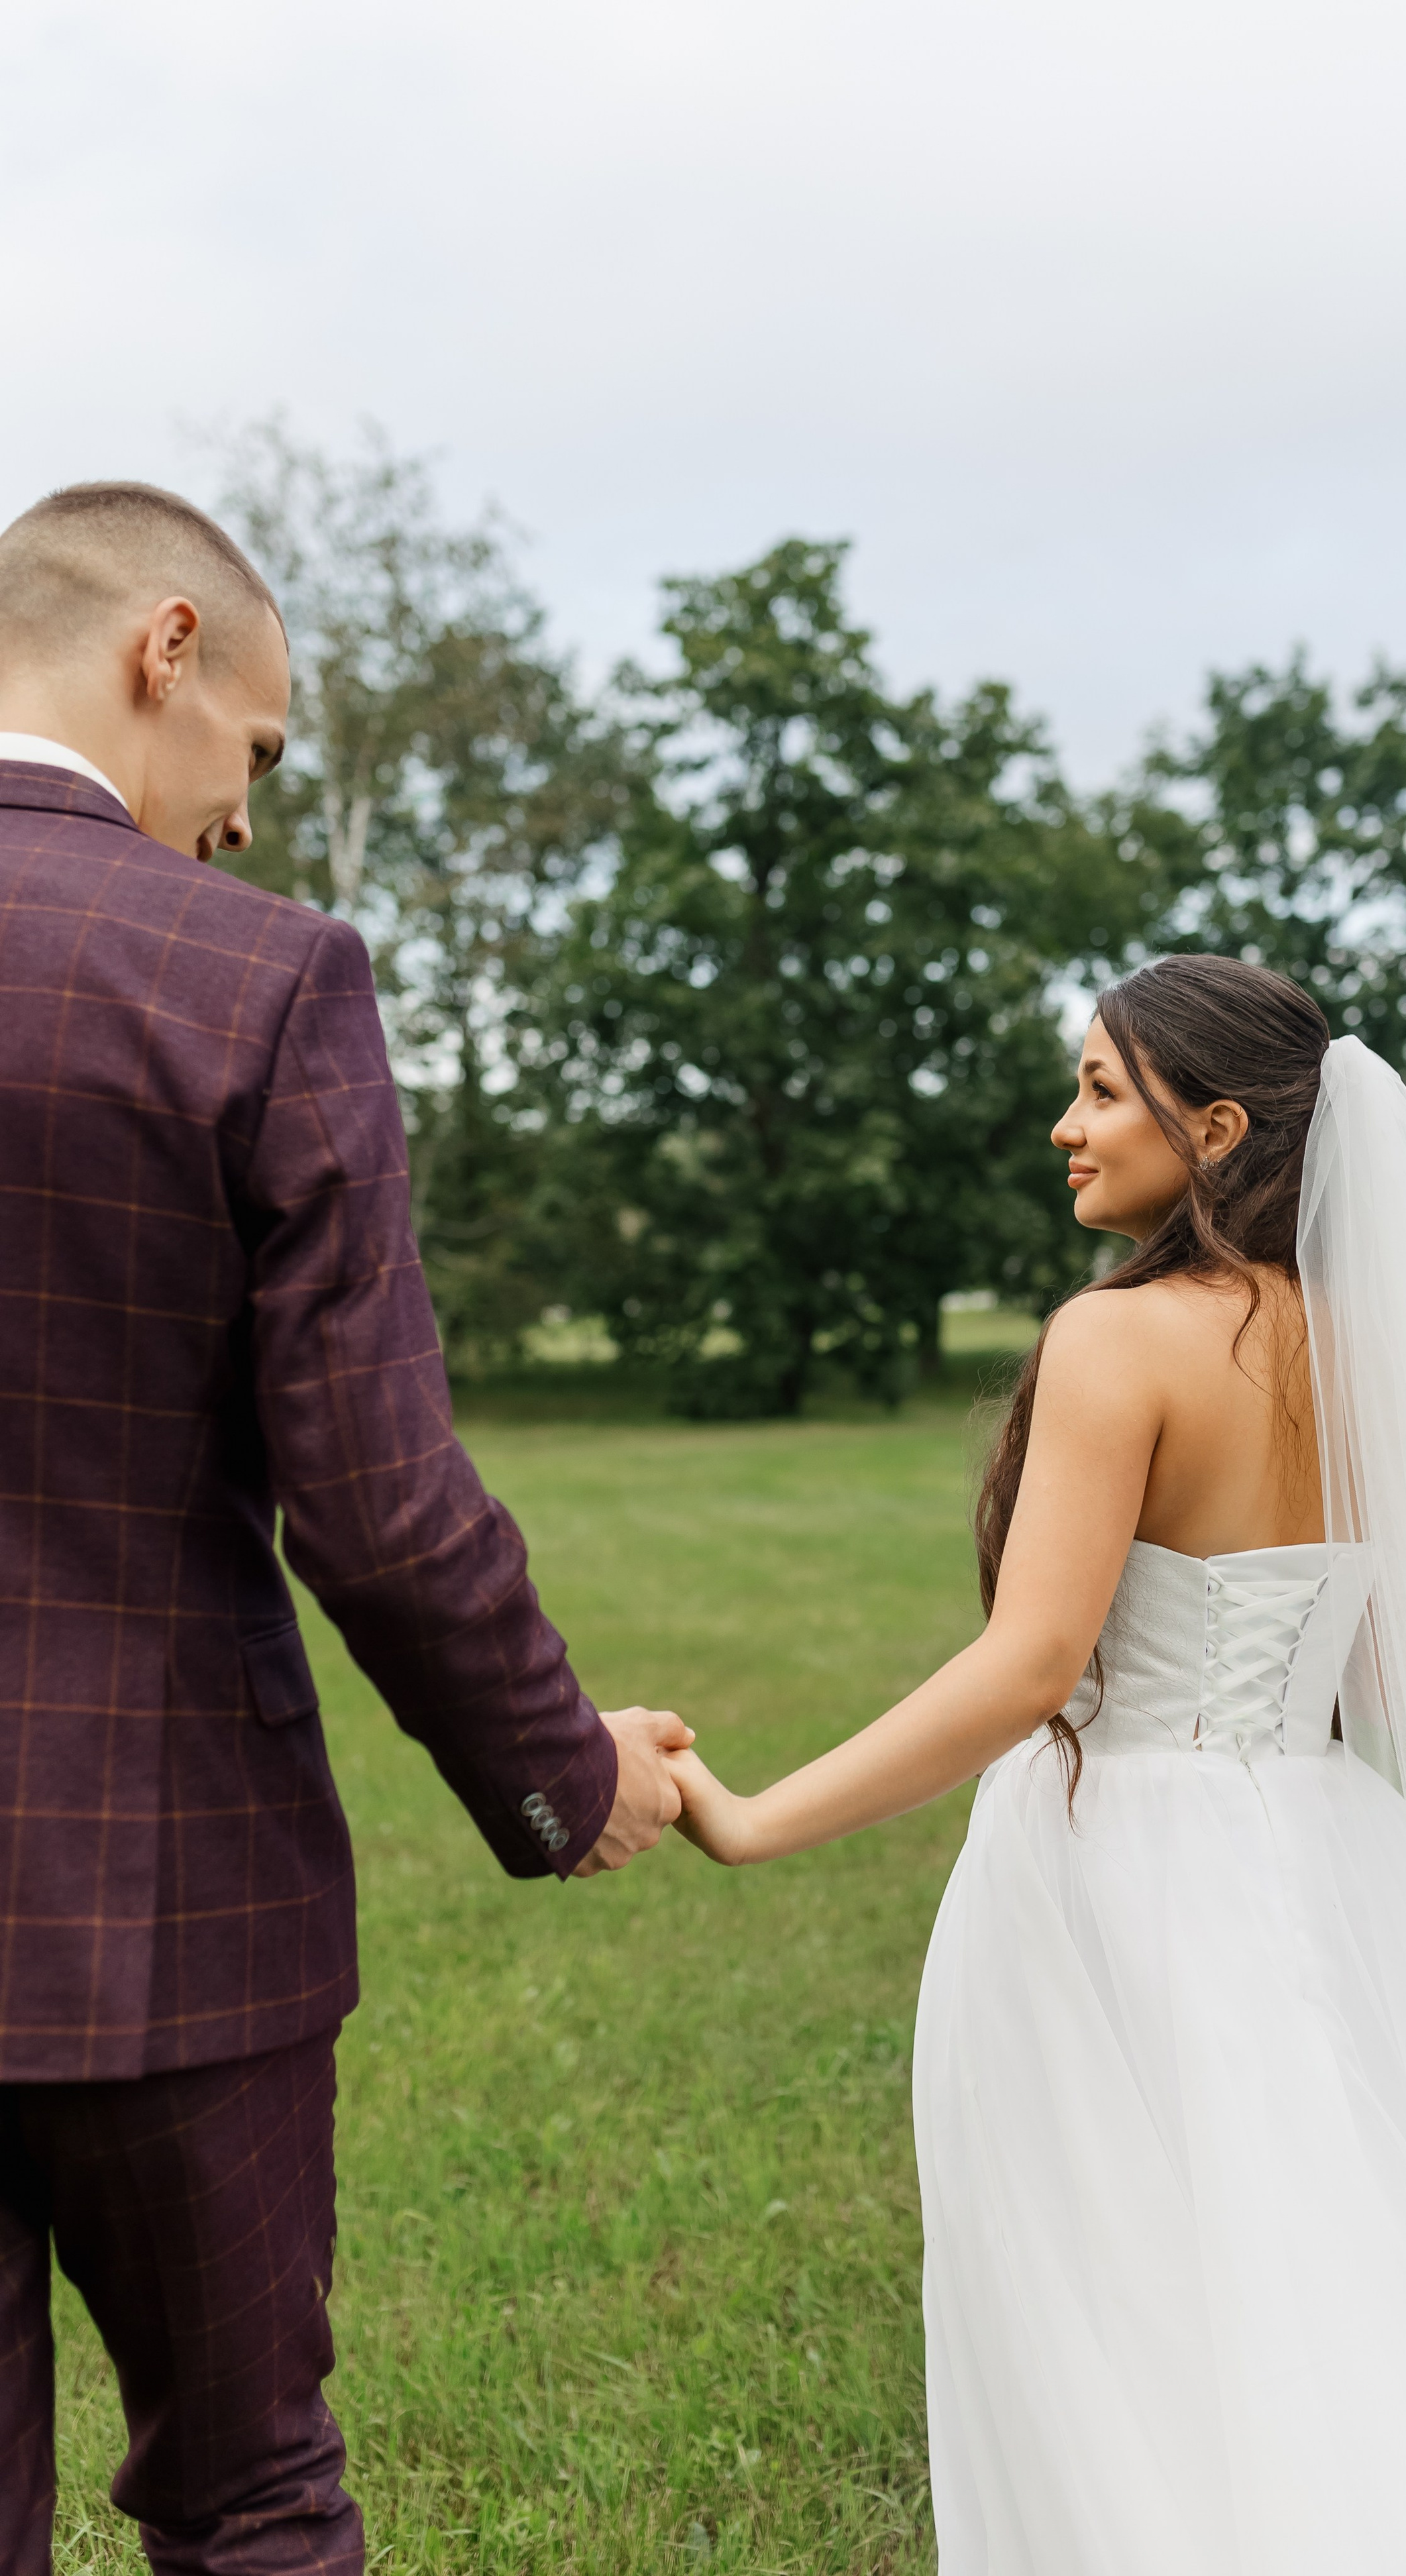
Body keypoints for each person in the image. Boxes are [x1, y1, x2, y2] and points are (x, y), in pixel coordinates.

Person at [669, 953, 1406, 2573]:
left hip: (1115, 1880)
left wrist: (749, 1819)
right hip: (1330, 1847)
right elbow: (1387, 1661)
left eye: (1099, 1090)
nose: (1061, 1127)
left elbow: (1029, 1668)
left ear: (1214, 1126)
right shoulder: (1367, 1346)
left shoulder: (1116, 1343)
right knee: (1330, 2279)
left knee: (1115, 2315)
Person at [0, 482, 690, 2575]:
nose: (242, 817)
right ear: (166, 647)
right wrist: (570, 1774)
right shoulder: (258, 982)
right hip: (164, 1910)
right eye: (262, 755)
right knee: (249, 2498)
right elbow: (378, 1509)